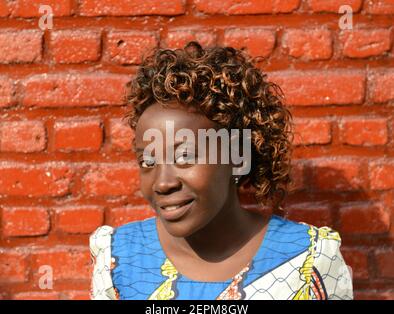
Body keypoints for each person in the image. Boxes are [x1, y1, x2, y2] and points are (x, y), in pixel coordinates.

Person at [89, 41, 353, 300]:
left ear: (237, 157)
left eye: (184, 156)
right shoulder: (119, 260)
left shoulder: (306, 260)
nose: (163, 183)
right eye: (148, 162)